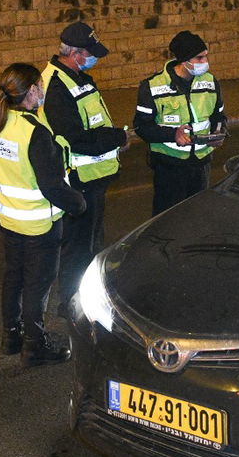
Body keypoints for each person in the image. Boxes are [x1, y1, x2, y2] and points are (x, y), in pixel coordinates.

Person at [0, 63, 85, 367]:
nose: (43, 91)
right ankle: (34, 346)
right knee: (37, 285)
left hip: (9, 219)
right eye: (40, 86)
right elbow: (51, 186)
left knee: (14, 277)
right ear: (30, 92)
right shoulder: (34, 133)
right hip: (39, 224)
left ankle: (11, 336)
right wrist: (78, 203)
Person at [41, 21, 129, 304]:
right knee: (77, 247)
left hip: (94, 177)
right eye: (89, 53)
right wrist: (117, 138)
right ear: (75, 52)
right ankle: (71, 303)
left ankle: (87, 296)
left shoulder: (78, 77)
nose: (93, 59)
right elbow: (76, 138)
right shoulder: (56, 87)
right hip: (78, 180)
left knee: (91, 242)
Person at [134, 30, 227, 215]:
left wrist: (220, 131)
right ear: (184, 61)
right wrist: (172, 134)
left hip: (201, 164)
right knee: (167, 218)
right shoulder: (152, 86)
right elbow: (142, 127)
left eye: (206, 57)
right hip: (169, 166)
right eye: (199, 58)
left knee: (197, 216)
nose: (205, 63)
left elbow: (219, 116)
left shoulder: (210, 82)